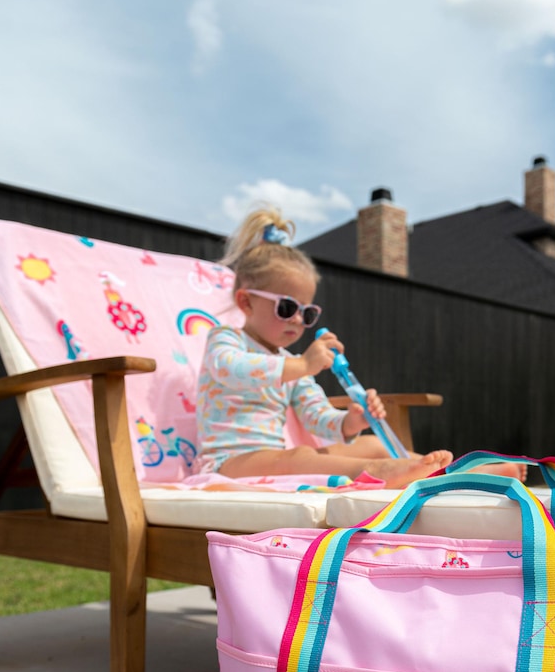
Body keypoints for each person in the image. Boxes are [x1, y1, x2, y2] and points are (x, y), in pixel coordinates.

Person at [195, 206, 525, 485]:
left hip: (273, 456)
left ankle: (451, 473)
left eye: (307, 312)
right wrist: (302, 366)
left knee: (371, 443)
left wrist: (351, 421)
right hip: (228, 462)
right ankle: (388, 474)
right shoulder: (225, 339)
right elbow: (231, 370)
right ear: (246, 302)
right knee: (300, 455)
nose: (298, 321)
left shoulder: (293, 363)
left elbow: (317, 418)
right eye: (286, 308)